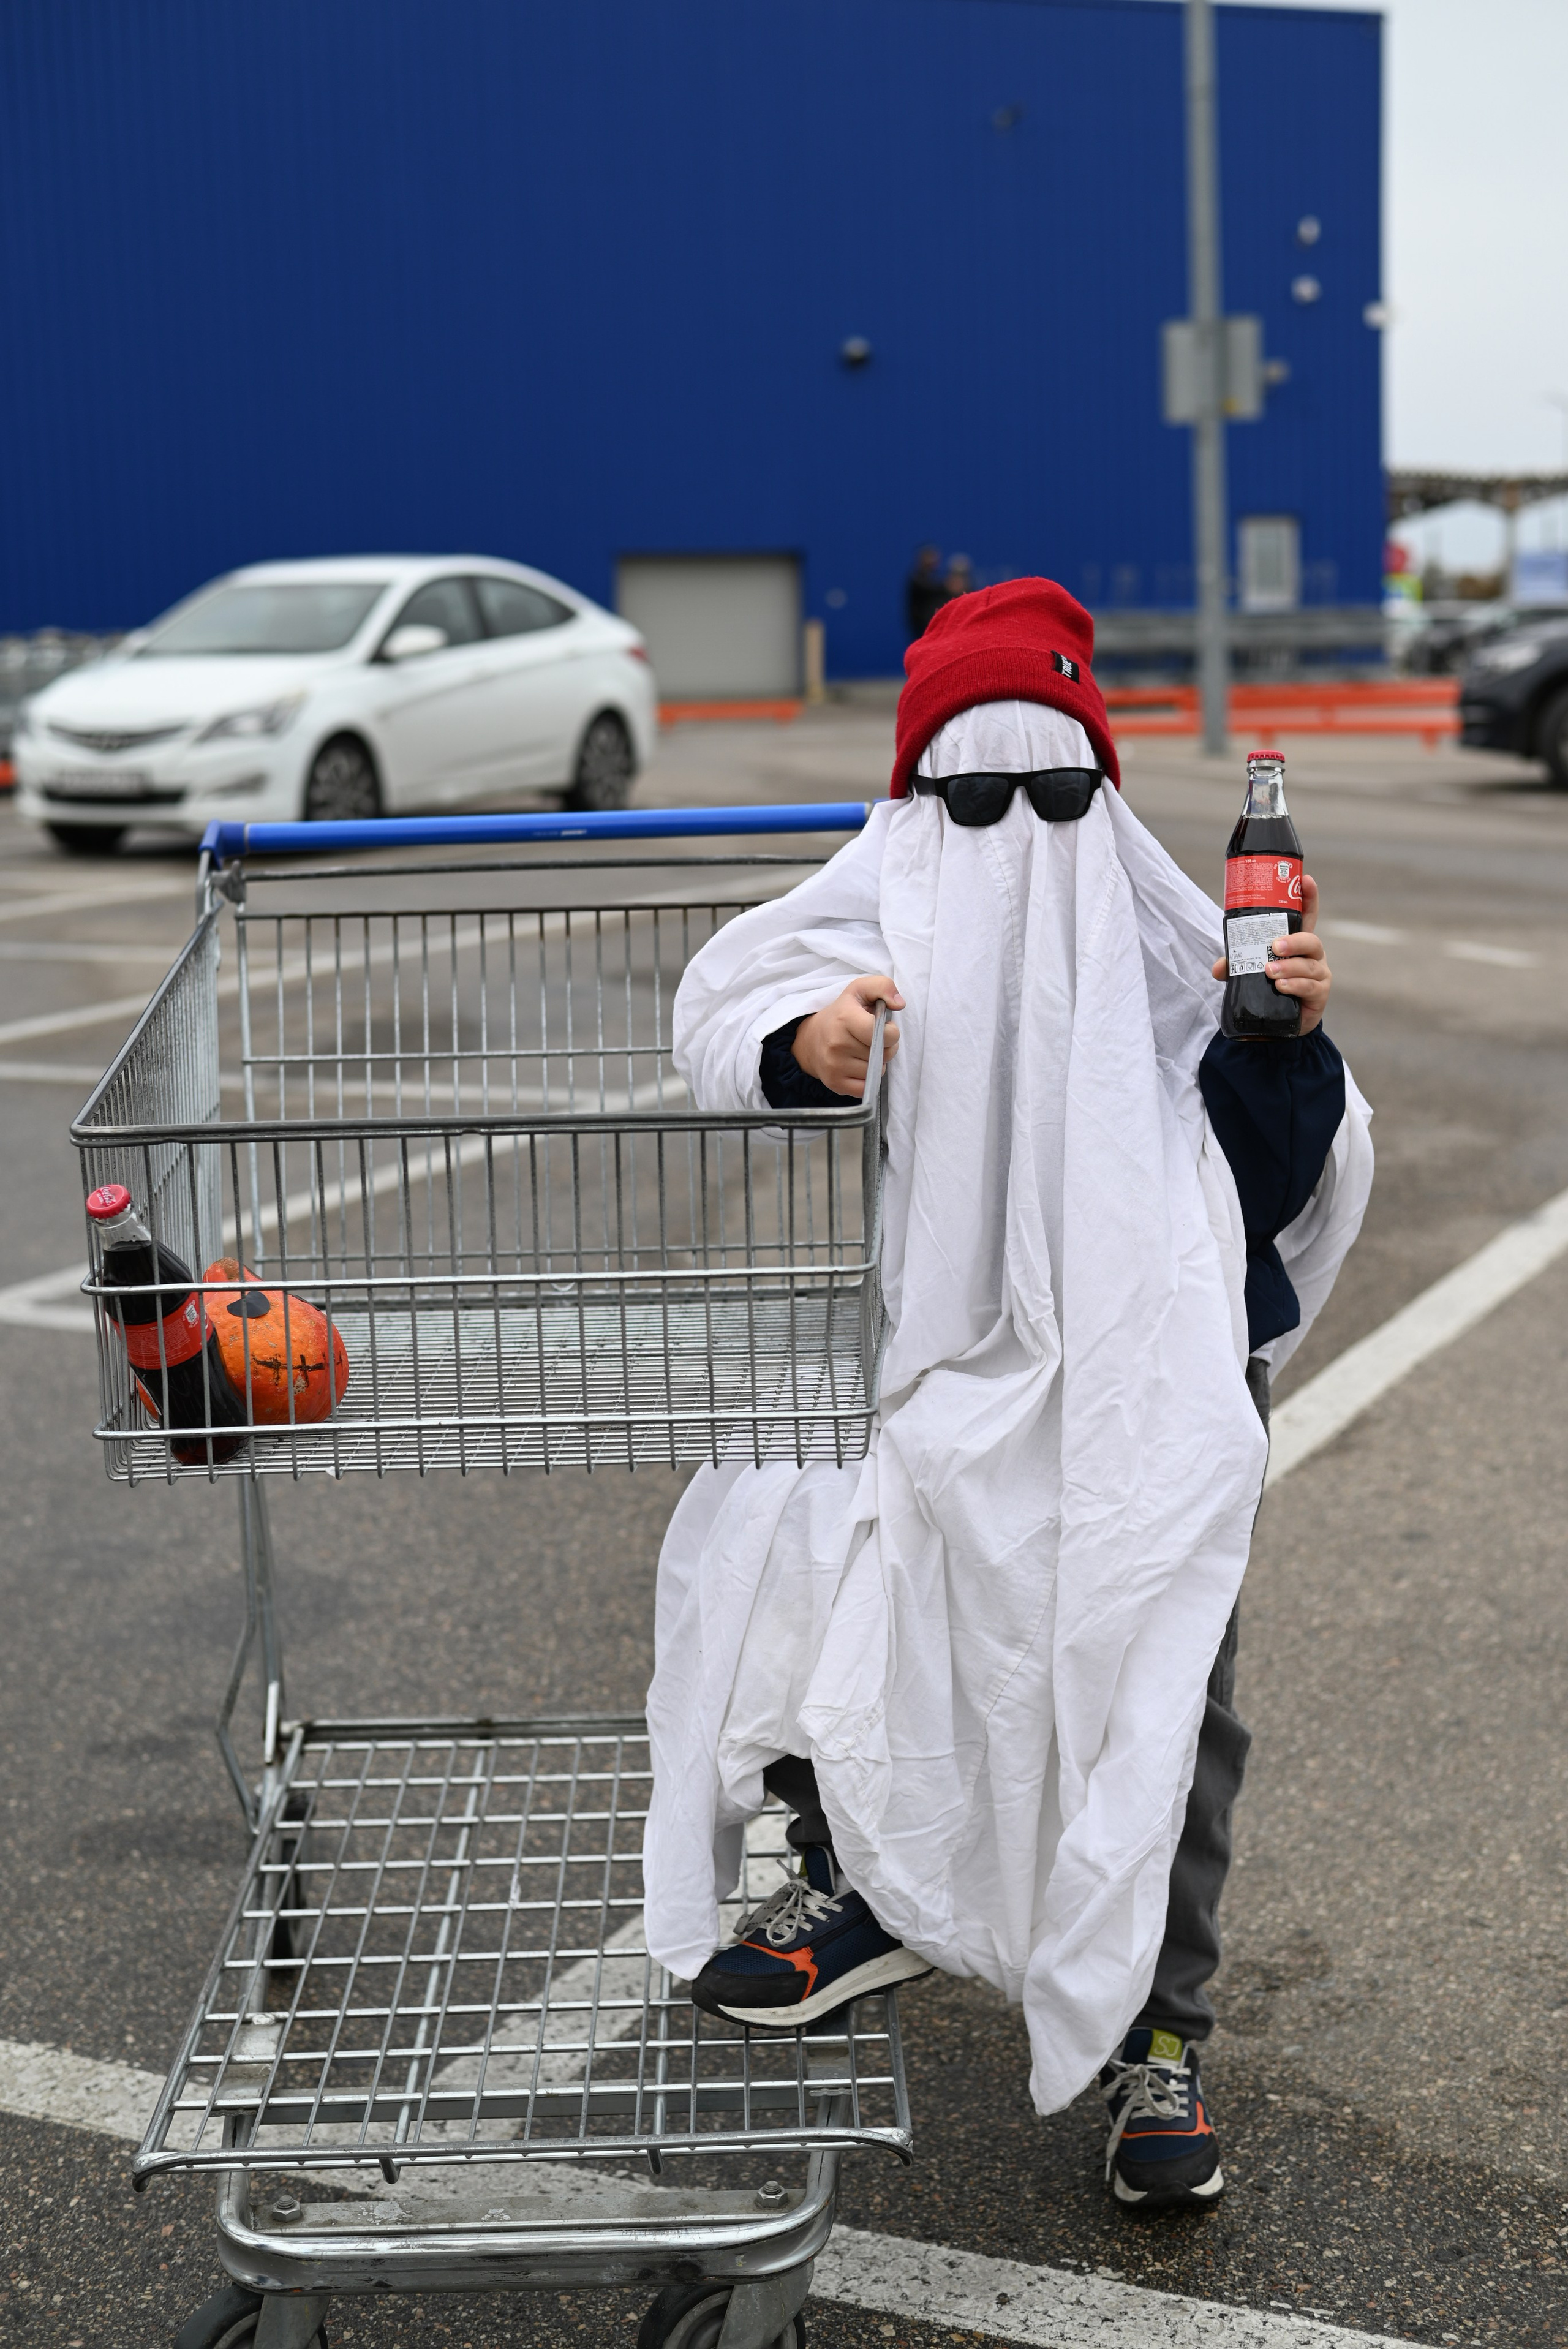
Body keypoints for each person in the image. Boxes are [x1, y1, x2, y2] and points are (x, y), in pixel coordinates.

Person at [644, 578, 1372, 2211]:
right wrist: (809, 1041)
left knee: (1161, 1693)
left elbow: (1266, 1185)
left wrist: (1281, 1045)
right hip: (940, 1362)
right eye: (976, 802)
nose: (1017, 838)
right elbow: (727, 1005)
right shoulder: (887, 914)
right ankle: (864, 1883)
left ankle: (1158, 2036)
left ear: (1099, 800)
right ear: (918, 810)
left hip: (1147, 1388)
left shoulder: (1168, 952)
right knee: (825, 1570)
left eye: (1052, 794)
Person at [905, 545, 947, 641]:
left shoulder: (931, 577)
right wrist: (946, 586)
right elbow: (929, 589)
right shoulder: (916, 578)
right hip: (921, 626)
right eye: (930, 557)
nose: (934, 561)